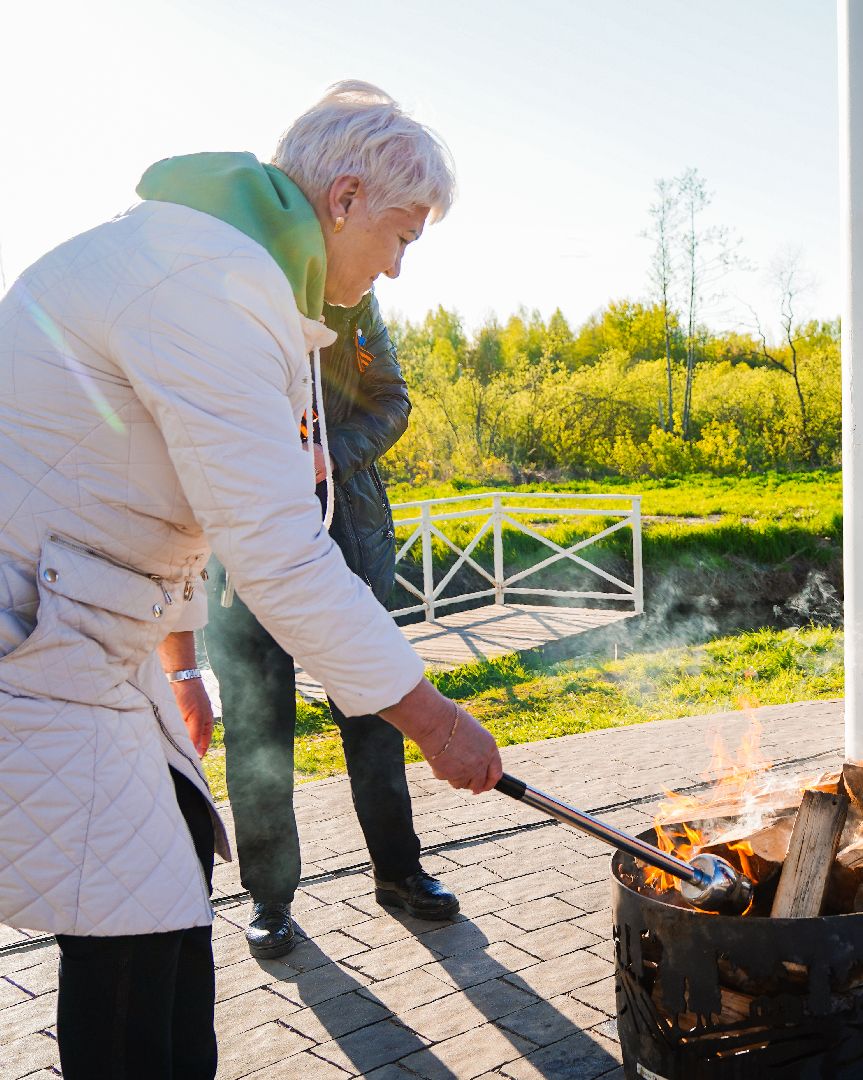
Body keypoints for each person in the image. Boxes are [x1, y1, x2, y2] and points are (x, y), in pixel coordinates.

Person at [0, 81, 504, 1079]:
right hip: (41, 640)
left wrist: (179, 667)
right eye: (402, 234)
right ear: (347, 196)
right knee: (135, 932)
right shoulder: (218, 283)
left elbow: (141, 493)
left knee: (173, 877)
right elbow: (276, 550)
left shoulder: (214, 261)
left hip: (87, 626)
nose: (398, 266)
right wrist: (436, 722)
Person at [207, 288, 455, 961]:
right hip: (240, 548)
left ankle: (399, 873)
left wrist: (329, 453)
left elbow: (393, 404)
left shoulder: (354, 302)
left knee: (376, 709)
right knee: (259, 730)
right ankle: (269, 897)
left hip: (350, 532)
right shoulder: (225, 295)